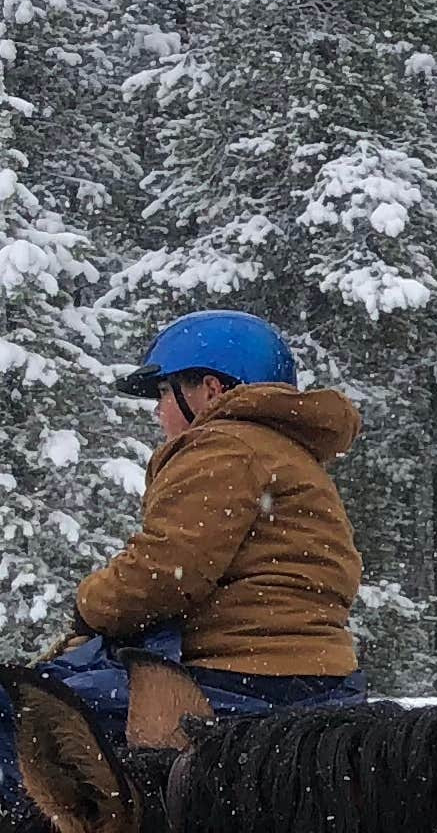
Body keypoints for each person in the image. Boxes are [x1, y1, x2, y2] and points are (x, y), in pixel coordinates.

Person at [75, 311, 368, 726]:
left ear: (210, 390)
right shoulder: (288, 453)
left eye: (163, 391)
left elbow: (165, 571)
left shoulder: (222, 448)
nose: (158, 410)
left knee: (45, 725)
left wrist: (89, 606)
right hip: (321, 675)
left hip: (239, 677)